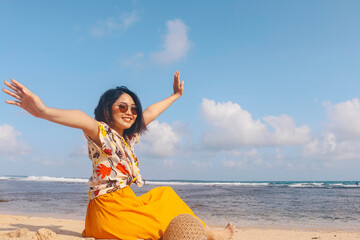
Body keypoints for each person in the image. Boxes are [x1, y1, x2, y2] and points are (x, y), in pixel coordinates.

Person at [3, 71, 236, 240]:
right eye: (122, 107)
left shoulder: (127, 139)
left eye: (133, 108)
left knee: (165, 196)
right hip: (109, 210)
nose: (130, 112)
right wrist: (43, 111)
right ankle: (211, 234)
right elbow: (80, 118)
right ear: (108, 109)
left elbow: (151, 112)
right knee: (160, 220)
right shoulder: (101, 131)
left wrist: (175, 95)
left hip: (125, 204)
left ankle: (202, 232)